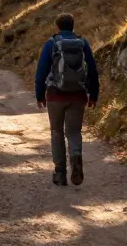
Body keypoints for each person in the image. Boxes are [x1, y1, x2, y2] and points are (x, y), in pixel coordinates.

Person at [34, 12, 99, 186]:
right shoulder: (82, 43)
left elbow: (41, 72)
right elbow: (92, 71)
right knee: (74, 132)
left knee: (56, 132)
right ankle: (76, 158)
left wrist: (40, 95)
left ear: (58, 26)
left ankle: (60, 173)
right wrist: (93, 95)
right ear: (72, 26)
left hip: (55, 95)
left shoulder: (52, 43)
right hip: (78, 95)